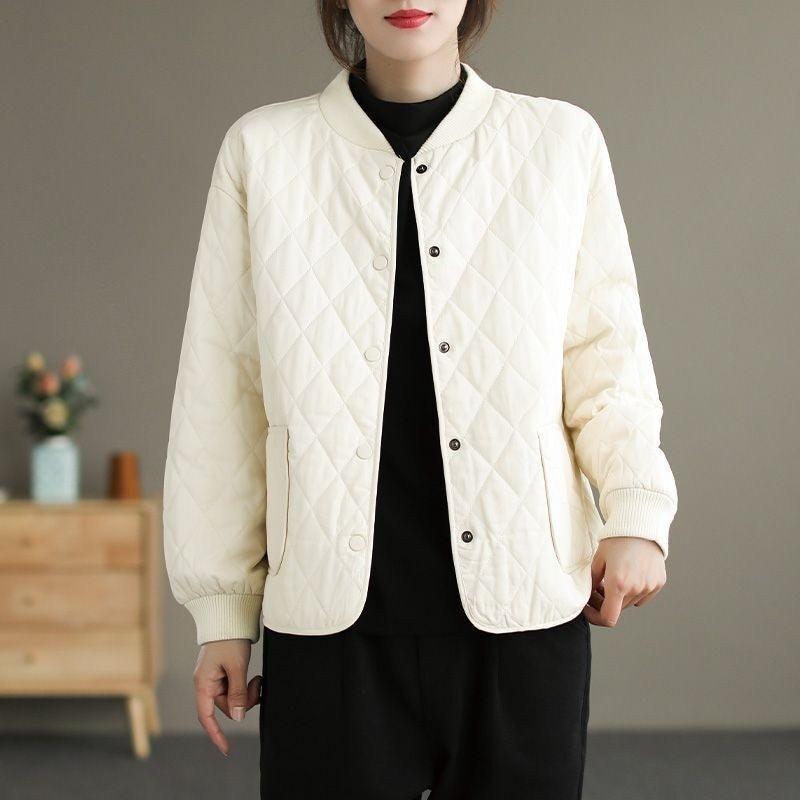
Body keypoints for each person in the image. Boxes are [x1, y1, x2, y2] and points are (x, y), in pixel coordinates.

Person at [162, 2, 678, 798]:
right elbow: (223, 393)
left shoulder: (559, 143)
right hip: (330, 629)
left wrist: (635, 511)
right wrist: (223, 609)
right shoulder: (264, 152)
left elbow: (606, 358)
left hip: (521, 619)